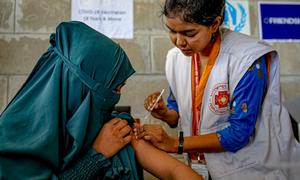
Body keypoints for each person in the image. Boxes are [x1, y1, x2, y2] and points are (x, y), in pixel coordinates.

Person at [0, 21, 203, 180]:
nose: (116, 98)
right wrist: (96, 156)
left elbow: (174, 171)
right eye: (113, 88)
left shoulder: (112, 129)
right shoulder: (11, 140)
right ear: (78, 89)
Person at [139, 0, 300, 180]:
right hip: (200, 167)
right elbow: (177, 114)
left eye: (189, 33)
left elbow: (239, 134)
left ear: (214, 24)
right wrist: (164, 113)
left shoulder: (246, 59)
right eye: (171, 31)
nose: (179, 41)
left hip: (250, 169)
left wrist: (175, 143)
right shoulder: (175, 58)